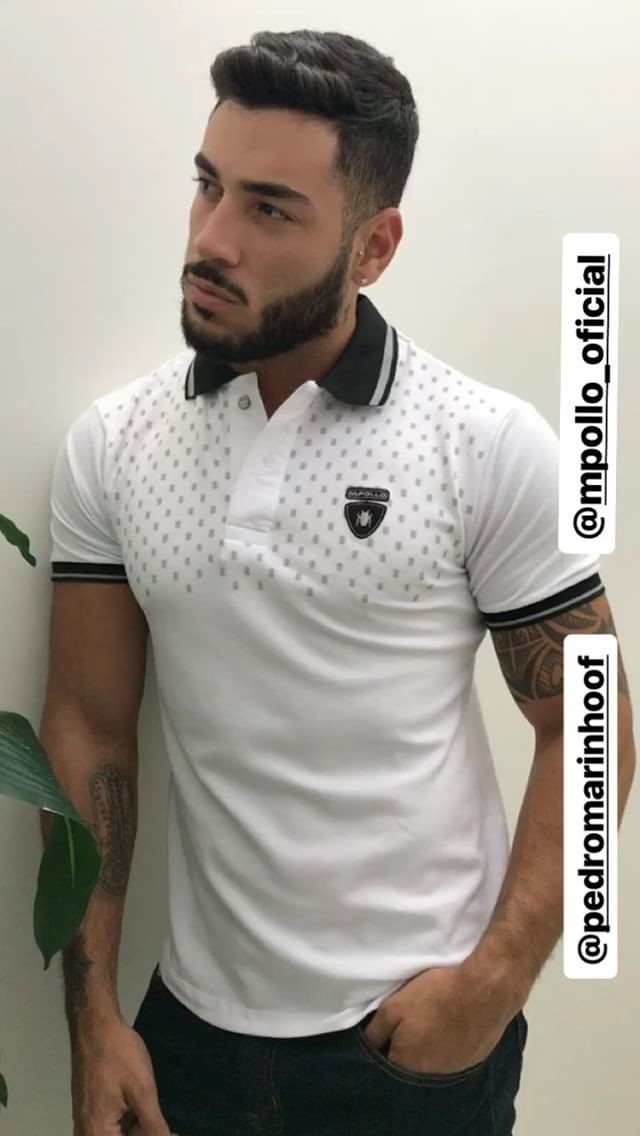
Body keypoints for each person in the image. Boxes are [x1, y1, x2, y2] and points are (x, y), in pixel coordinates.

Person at [40, 27, 635, 1136]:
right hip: (186, 1039)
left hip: (413, 1048)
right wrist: (93, 1016)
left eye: (270, 209)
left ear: (373, 247)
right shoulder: (115, 444)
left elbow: (591, 721)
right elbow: (87, 724)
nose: (211, 239)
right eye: (208, 186)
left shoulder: (483, 443)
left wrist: (494, 981)